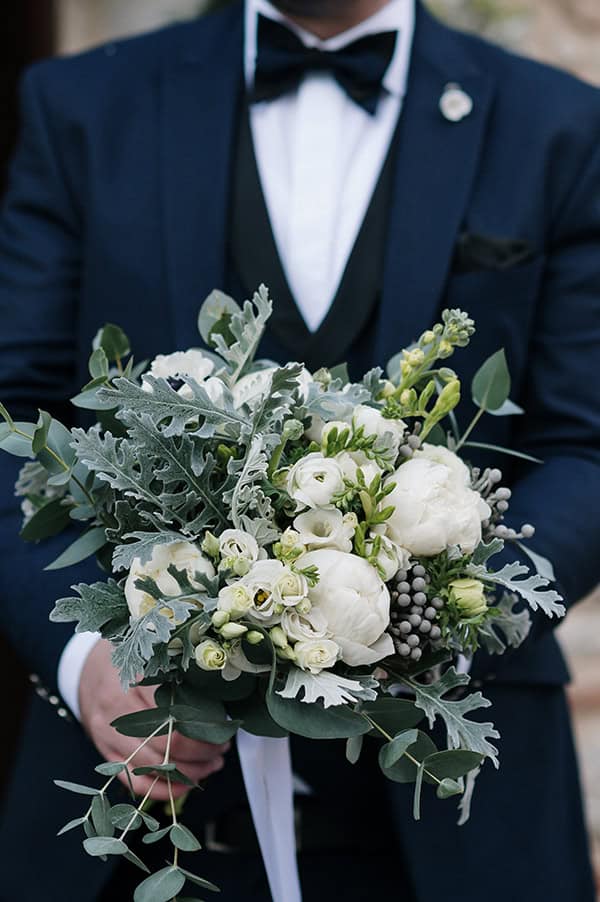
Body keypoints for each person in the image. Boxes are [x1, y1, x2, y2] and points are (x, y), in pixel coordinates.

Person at [0, 0, 599, 899]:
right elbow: (18, 416)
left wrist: (427, 628)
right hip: (134, 804)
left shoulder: (557, 123)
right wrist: (90, 663)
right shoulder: (82, 103)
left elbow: (583, 443)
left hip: (459, 826)